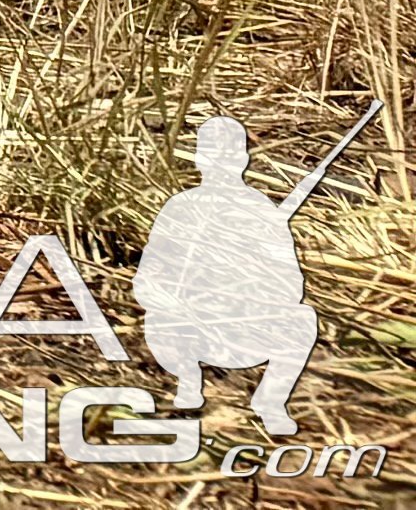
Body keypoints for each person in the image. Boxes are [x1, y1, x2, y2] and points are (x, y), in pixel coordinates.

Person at [134, 117, 317, 436]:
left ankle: (270, 401)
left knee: (303, 318)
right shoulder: (179, 208)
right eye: (212, 154)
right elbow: (147, 279)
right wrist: (177, 298)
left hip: (245, 330)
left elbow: (292, 285)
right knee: (158, 318)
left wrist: (251, 287)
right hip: (187, 329)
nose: (220, 163)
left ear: (243, 159)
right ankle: (188, 383)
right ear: (200, 159)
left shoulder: (262, 210)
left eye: (229, 154)